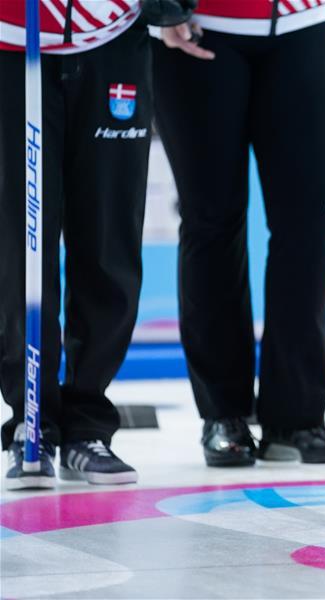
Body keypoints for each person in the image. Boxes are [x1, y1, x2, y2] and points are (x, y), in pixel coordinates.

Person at [151, 0, 325, 467]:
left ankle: (297, 416)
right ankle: (223, 413)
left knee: (309, 218)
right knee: (211, 220)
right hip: (201, 26)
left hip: (303, 23)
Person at [0, 0, 190, 488]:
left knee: (109, 241)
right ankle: (31, 419)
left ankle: (88, 423)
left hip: (110, 40)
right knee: (19, 246)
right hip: (14, 42)